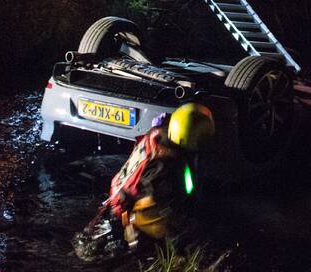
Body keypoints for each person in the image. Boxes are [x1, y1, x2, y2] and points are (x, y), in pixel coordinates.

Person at [72, 103, 215, 261]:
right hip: (125, 209)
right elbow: (153, 208)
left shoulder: (157, 134)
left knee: (90, 244)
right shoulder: (166, 166)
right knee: (112, 254)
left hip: (117, 194)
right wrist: (181, 251)